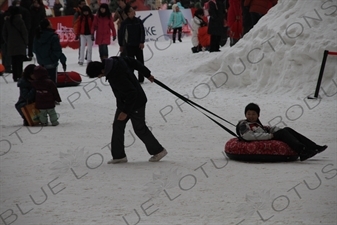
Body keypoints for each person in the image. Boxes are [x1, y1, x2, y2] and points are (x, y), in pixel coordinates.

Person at [85, 56, 167, 164]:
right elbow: (134, 63)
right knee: (118, 126)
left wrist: (125, 112)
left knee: (139, 128)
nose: (100, 77)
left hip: (136, 102)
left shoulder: (116, 75)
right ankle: (119, 156)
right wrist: (147, 73)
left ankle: (159, 151)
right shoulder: (115, 60)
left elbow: (131, 93)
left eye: (98, 75)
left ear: (102, 70)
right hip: (124, 103)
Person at [237, 103, 328, 161]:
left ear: (258, 115)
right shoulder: (244, 124)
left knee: (286, 129)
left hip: (267, 136)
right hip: (265, 138)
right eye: (248, 114)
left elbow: (267, 129)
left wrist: (277, 131)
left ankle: (314, 147)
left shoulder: (257, 124)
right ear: (245, 114)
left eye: (253, 114)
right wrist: (270, 136)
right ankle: (302, 151)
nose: (251, 116)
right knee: (282, 133)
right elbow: (248, 136)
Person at [33, 18, 67, 85]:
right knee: (52, 85)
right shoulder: (53, 37)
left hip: (41, 63)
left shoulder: (37, 36)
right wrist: (63, 60)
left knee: (43, 85)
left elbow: (34, 49)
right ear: (48, 26)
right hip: (51, 63)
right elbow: (57, 51)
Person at [118, 4, 145, 83]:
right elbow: (121, 35)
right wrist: (121, 45)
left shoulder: (138, 21)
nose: (133, 12)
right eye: (131, 11)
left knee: (140, 62)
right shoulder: (124, 23)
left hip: (138, 45)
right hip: (129, 46)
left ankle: (141, 78)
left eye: (133, 10)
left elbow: (142, 32)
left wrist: (142, 42)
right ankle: (132, 79)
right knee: (130, 63)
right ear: (127, 13)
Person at [2, 6, 29, 82]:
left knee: (13, 61)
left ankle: (15, 76)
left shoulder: (7, 21)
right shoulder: (20, 21)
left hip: (11, 44)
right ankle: (20, 75)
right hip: (20, 44)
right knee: (19, 61)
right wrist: (25, 42)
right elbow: (24, 33)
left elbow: (4, 33)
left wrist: (8, 41)